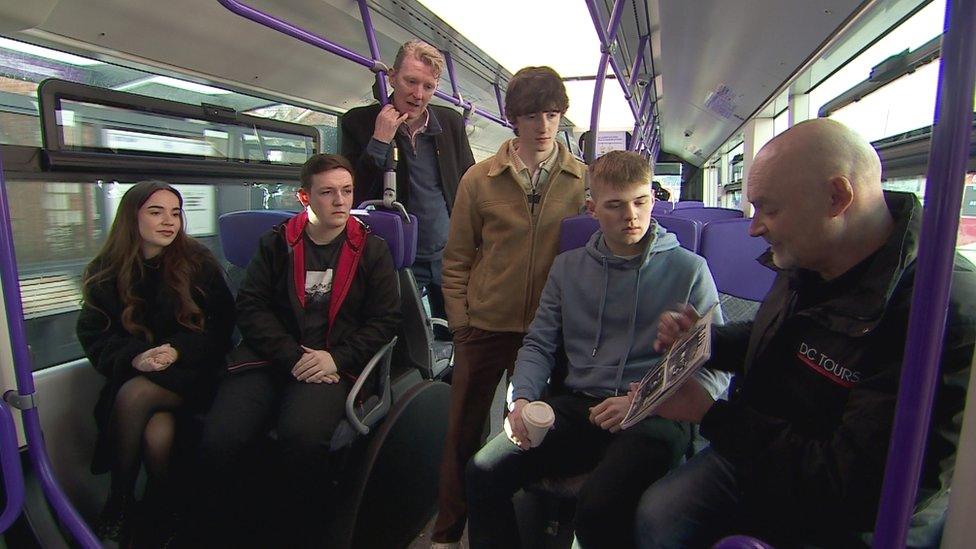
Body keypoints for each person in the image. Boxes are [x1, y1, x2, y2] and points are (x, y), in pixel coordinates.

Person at [635, 118, 976, 548]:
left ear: (837, 198)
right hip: (767, 450)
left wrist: (711, 414)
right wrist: (706, 344)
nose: (755, 228)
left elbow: (855, 486)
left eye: (769, 209)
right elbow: (777, 338)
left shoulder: (936, 310)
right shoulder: (812, 255)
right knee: (659, 513)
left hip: (847, 511)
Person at [464, 150, 730, 549]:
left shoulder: (690, 270)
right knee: (483, 471)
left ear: (653, 200)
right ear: (592, 209)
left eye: (641, 201)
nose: (632, 216)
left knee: (598, 506)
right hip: (582, 406)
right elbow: (538, 343)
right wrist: (520, 400)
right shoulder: (568, 268)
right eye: (616, 205)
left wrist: (643, 403)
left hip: (656, 414)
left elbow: (715, 365)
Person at [197, 154, 401, 546]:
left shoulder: (370, 251)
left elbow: (384, 321)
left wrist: (336, 358)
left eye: (347, 191)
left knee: (303, 438)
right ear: (304, 198)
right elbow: (251, 307)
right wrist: (293, 356)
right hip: (270, 358)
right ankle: (225, 529)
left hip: (331, 363)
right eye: (328, 193)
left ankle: (303, 532)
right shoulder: (277, 243)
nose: (340, 201)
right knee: (220, 438)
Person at [432, 66, 586, 547]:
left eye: (552, 115)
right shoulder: (479, 181)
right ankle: (446, 532)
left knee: (543, 432)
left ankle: (539, 524)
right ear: (512, 120)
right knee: (462, 433)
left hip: (548, 330)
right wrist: (460, 325)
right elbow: (456, 259)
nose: (543, 126)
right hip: (484, 326)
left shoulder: (583, 183)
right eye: (531, 116)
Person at [77, 180, 235, 545]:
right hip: (140, 373)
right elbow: (96, 338)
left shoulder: (198, 263)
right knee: (155, 431)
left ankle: (119, 501)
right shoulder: (105, 272)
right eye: (156, 212)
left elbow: (223, 329)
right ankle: (165, 511)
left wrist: (177, 350)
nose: (169, 222)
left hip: (198, 374)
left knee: (135, 395)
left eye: (175, 213)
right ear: (132, 218)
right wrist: (138, 356)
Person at [341, 39, 475, 338]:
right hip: (395, 257)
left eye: (428, 86)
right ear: (391, 77)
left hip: (447, 253)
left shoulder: (451, 123)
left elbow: (469, 181)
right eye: (410, 81)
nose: (418, 95)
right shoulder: (359, 122)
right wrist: (379, 142)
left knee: (458, 335)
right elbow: (352, 194)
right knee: (402, 339)